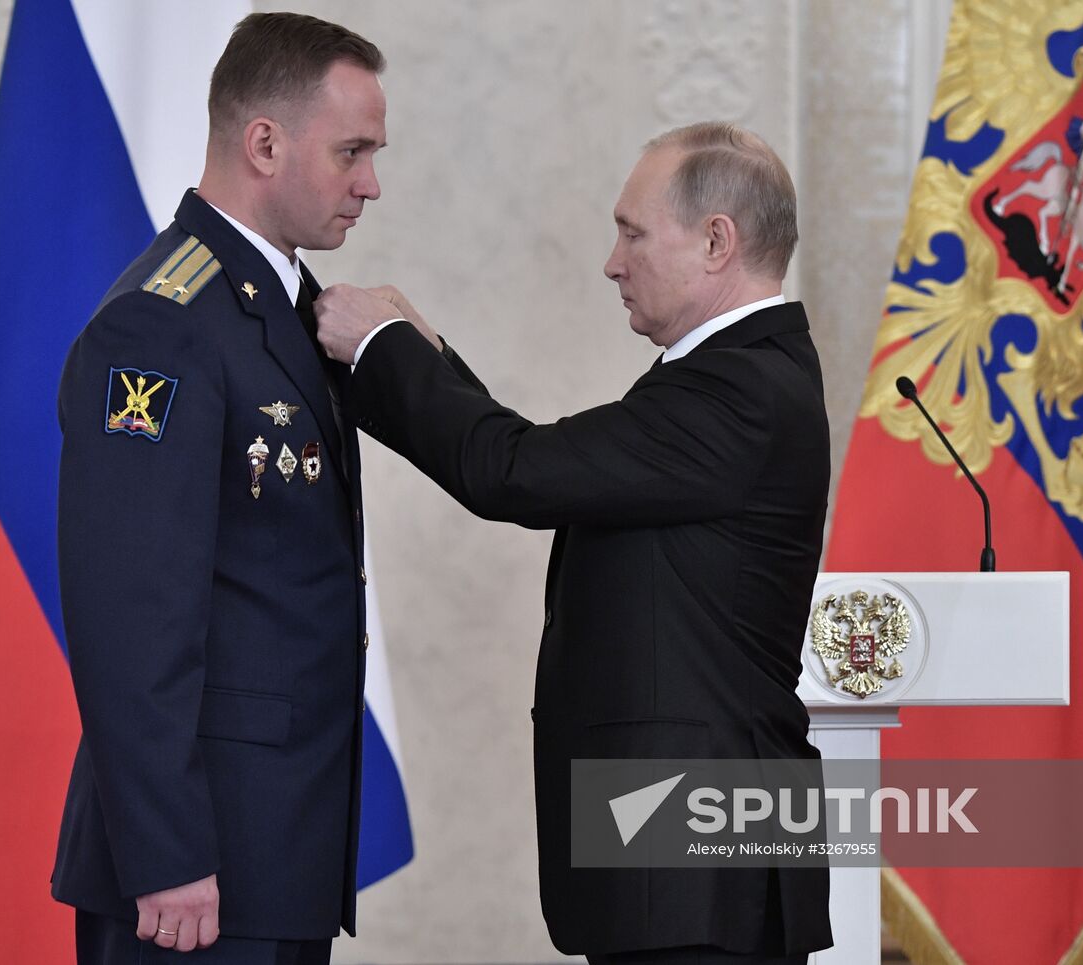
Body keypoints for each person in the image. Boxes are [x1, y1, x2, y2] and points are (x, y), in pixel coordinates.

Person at [315, 123, 833, 965]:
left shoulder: (740, 390)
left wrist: (381, 349)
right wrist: (428, 356)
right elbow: (554, 465)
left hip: (698, 873)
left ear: (716, 241)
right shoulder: (741, 374)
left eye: (632, 232)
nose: (611, 261)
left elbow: (516, 473)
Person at [50, 13, 455, 963]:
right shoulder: (162, 325)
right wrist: (167, 852)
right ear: (264, 142)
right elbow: (131, 617)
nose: (371, 183)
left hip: (276, 850)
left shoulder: (285, 307)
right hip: (195, 872)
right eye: (351, 151)